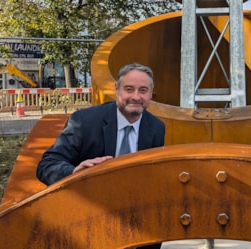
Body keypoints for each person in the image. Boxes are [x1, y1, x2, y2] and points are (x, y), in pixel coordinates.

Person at [36, 63, 165, 249]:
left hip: (136, 219)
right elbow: (47, 165)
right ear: (116, 90)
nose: (136, 97)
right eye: (129, 89)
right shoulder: (85, 121)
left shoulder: (156, 128)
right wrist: (74, 172)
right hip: (89, 218)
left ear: (151, 93)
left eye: (143, 90)